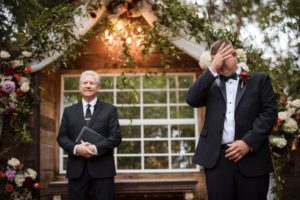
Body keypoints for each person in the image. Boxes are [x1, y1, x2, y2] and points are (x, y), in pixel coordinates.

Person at [186, 39, 277, 200]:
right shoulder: (210, 83)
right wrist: (212, 67)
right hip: (217, 161)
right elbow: (192, 99)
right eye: (216, 61)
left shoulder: (259, 80)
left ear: (234, 55)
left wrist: (247, 143)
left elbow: (269, 114)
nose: (220, 65)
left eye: (222, 59)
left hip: (251, 159)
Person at [57, 70, 122, 200]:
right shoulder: (69, 111)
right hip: (76, 170)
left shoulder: (110, 110)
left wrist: (94, 149)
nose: (88, 86)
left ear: (98, 87)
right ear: (80, 87)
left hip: (103, 170)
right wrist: (77, 149)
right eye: (85, 83)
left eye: (92, 83)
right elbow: (62, 137)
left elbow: (115, 137)